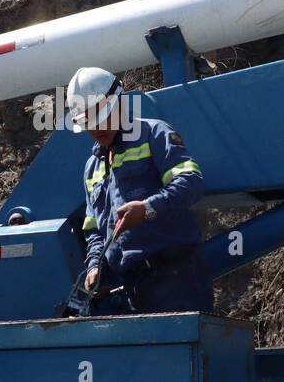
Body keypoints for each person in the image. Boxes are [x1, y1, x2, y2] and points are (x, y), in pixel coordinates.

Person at [67, 66, 214, 315]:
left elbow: (191, 181)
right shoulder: (92, 168)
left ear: (120, 103)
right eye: (86, 121)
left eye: (101, 114)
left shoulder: (153, 133)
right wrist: (94, 266)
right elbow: (93, 229)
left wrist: (147, 209)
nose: (96, 127)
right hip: (133, 285)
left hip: (177, 275)